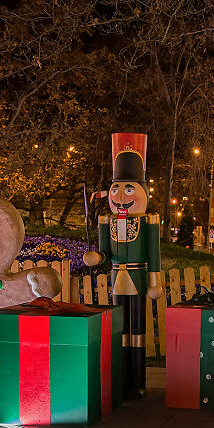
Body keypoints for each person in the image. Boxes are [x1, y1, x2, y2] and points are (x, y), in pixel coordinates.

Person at [83, 133, 162, 398]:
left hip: (138, 279)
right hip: (118, 280)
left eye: (129, 189)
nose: (120, 195)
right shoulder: (106, 221)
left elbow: (154, 254)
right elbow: (104, 252)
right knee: (119, 330)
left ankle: (137, 382)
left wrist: (154, 282)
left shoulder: (149, 221)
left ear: (143, 192)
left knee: (137, 331)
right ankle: (119, 380)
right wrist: (97, 258)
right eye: (116, 189)